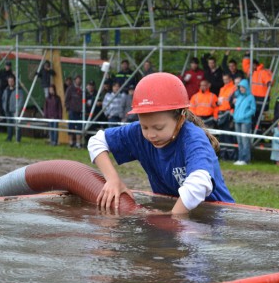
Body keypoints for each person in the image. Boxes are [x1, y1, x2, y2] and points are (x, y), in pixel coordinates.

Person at [87, 72, 235, 213]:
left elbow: (200, 183)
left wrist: (172, 217)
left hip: (215, 216)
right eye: (145, 126)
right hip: (169, 208)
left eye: (159, 127)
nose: (150, 134)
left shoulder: (193, 139)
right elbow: (96, 141)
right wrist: (113, 180)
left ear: (181, 118)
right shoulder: (138, 133)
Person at [232, 79, 256, 166]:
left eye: (242, 87)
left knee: (245, 141)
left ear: (246, 87)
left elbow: (253, 109)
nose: (241, 89)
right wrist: (234, 115)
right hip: (237, 121)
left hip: (245, 122)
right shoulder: (239, 97)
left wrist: (244, 116)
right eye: (240, 87)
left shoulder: (251, 97)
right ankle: (240, 158)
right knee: (239, 141)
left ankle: (245, 159)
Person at [2, 75, 24, 143]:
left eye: (11, 81)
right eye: (9, 81)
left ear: (14, 81)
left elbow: (21, 100)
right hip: (7, 110)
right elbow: (3, 99)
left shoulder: (18, 90)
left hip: (15, 111)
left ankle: (18, 138)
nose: (10, 82)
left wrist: (18, 109)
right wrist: (4, 107)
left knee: (17, 125)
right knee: (9, 125)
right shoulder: (6, 89)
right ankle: (9, 137)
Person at [65, 75, 84, 148]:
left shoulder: (82, 89)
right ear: (75, 80)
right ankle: (71, 142)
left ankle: (78, 143)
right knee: (71, 126)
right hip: (72, 110)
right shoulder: (70, 88)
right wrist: (68, 108)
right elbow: (66, 99)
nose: (79, 80)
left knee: (79, 127)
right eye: (77, 79)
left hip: (80, 111)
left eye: (80, 79)